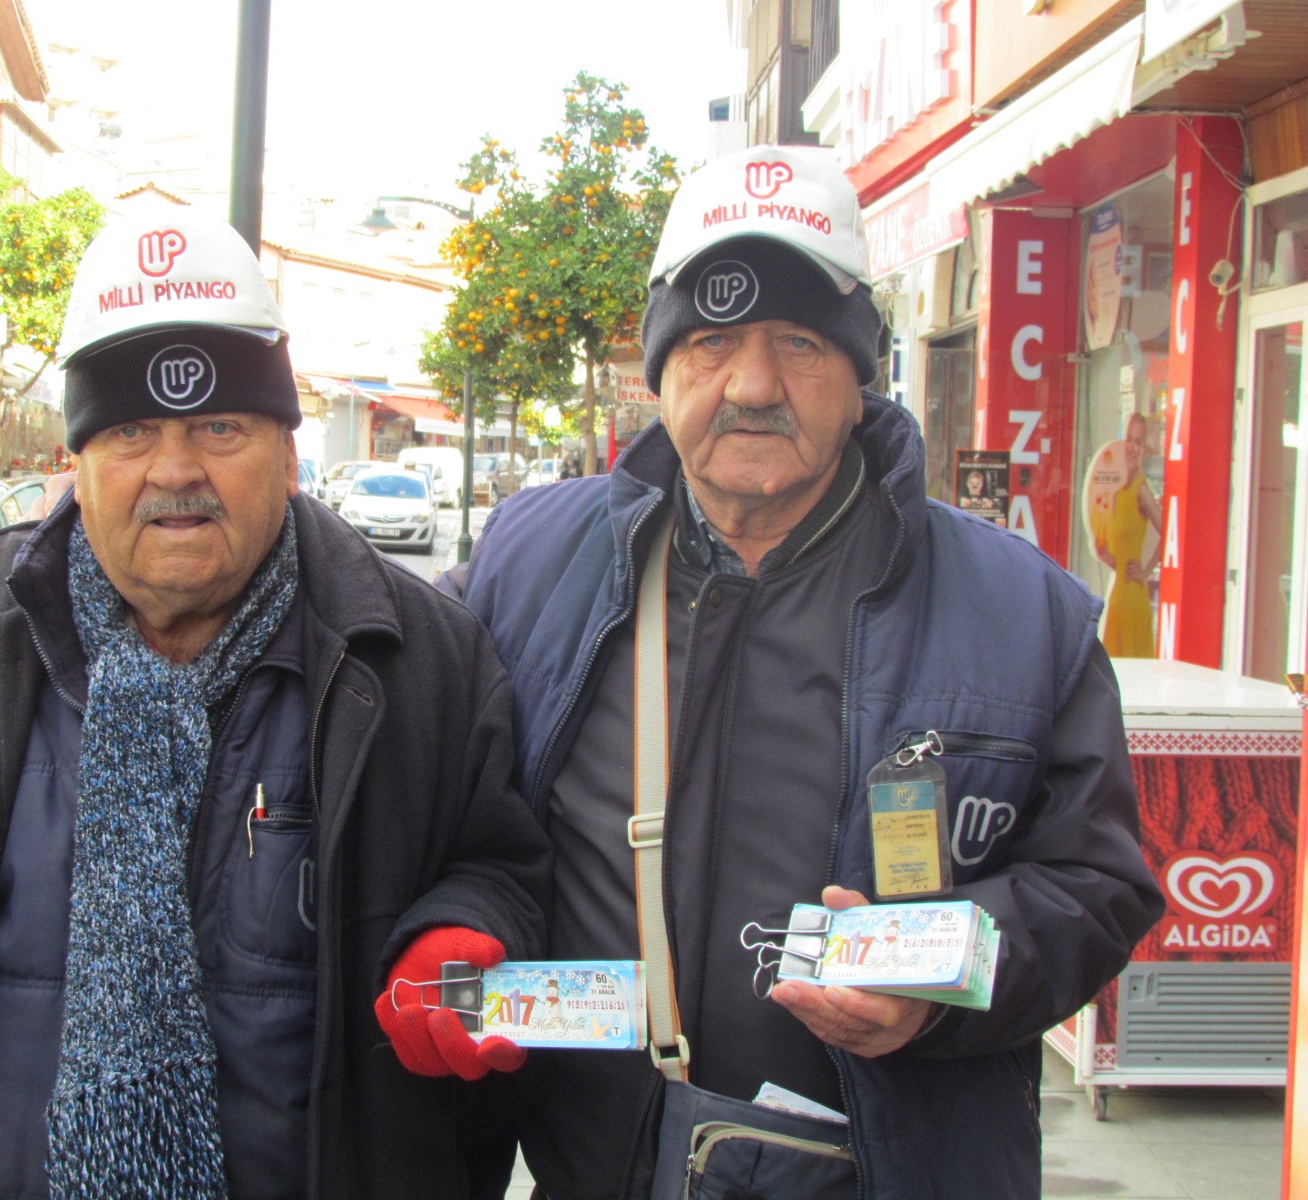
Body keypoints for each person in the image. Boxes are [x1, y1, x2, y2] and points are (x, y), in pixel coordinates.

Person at [0, 207, 549, 1199]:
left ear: (288, 453)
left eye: (220, 427)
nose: (175, 472)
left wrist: (462, 935)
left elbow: (503, 867)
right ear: (77, 466)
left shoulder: (419, 657)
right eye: (131, 430)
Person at [446, 145, 1164, 1198]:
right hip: (594, 1167)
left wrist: (945, 984)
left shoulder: (1022, 612)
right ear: (658, 368)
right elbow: (451, 815)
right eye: (708, 341)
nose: (751, 385)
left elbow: (1097, 888)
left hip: (891, 1167)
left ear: (859, 367)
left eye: (798, 342)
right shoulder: (530, 562)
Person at [1096, 411, 1162, 657]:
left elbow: (1168, 531)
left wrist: (1146, 570)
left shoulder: (1140, 489)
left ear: (1145, 448)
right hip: (1118, 597)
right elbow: (1120, 559)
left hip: (1133, 597)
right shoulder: (1119, 491)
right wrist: (1106, 556)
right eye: (1129, 439)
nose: (1133, 448)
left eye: (1139, 441)